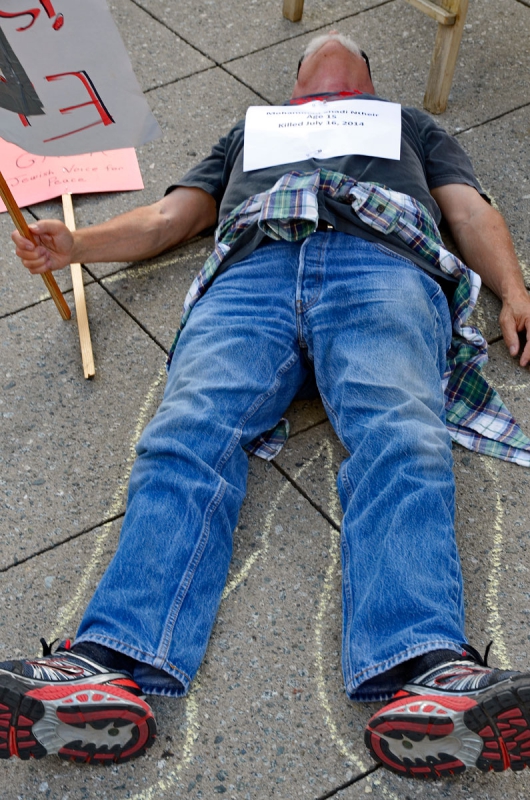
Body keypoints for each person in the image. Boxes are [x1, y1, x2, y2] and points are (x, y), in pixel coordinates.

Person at [3, 31, 530, 778]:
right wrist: (77, 246)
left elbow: (468, 211)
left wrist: (513, 290)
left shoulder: (410, 125)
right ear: (291, 90)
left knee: (403, 436)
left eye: (347, 59)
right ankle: (106, 661)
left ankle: (425, 671)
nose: (331, 62)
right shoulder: (249, 131)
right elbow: (168, 219)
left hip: (380, 259)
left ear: (371, 84)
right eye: (315, 60)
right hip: (250, 272)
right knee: (185, 435)